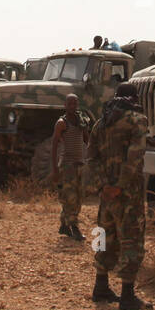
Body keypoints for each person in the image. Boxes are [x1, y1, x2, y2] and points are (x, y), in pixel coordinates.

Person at [88, 82, 155, 310]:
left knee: (104, 237)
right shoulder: (137, 120)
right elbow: (135, 157)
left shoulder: (101, 123)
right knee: (131, 239)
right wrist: (120, 185)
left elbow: (92, 158)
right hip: (128, 193)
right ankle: (127, 295)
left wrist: (103, 186)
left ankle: (101, 287)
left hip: (106, 195)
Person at [51, 94, 89, 241]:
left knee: (77, 197)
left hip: (79, 164)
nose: (73, 106)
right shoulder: (62, 123)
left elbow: (86, 139)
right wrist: (55, 169)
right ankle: (74, 227)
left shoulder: (81, 121)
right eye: (70, 104)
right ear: (65, 105)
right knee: (71, 198)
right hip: (67, 166)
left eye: (75, 104)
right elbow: (54, 145)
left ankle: (64, 225)